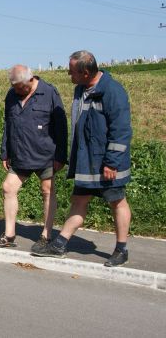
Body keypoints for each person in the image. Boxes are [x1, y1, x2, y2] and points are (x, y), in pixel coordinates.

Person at [32, 51, 133, 267]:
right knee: (78, 201)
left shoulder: (112, 91)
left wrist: (112, 162)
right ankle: (59, 244)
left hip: (107, 164)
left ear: (85, 72)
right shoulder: (81, 89)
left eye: (72, 72)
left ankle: (121, 249)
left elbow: (121, 130)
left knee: (117, 202)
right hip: (87, 161)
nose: (69, 75)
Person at [0, 65, 67, 250]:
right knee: (8, 188)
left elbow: (61, 126)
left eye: (20, 87)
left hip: (45, 154)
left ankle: (46, 236)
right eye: (14, 87)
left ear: (31, 80)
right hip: (20, 152)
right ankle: (9, 235)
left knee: (47, 190)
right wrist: (5, 151)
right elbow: (8, 123)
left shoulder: (49, 92)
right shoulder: (12, 94)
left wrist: (61, 156)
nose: (17, 91)